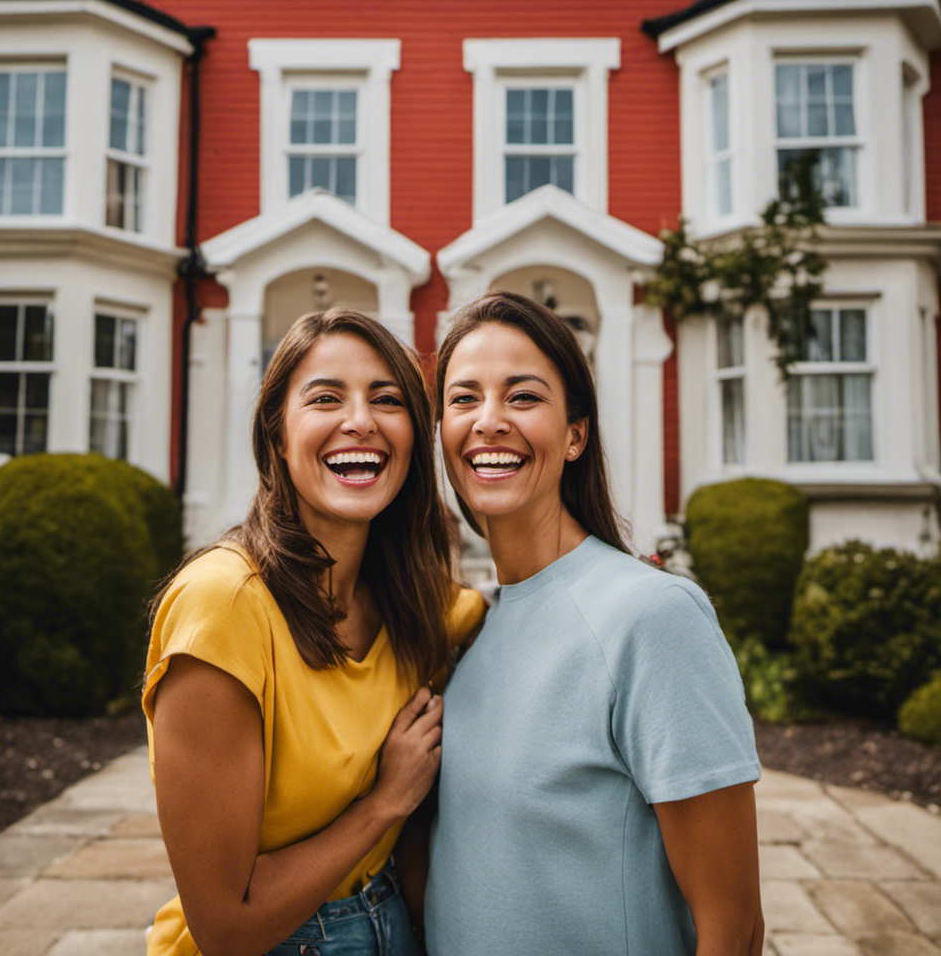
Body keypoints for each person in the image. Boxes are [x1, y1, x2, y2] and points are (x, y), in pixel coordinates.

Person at [425, 291, 763, 956]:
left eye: (522, 397)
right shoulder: (472, 627)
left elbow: (733, 926)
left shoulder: (652, 617)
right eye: (464, 399)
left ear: (576, 433)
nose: (489, 421)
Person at [143, 308, 484, 956]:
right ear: (277, 435)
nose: (360, 419)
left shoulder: (418, 607)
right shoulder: (224, 607)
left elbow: (509, 608)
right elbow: (226, 925)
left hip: (396, 925)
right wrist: (385, 803)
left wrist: (610, 580)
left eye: (387, 399)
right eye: (326, 397)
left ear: (414, 437)